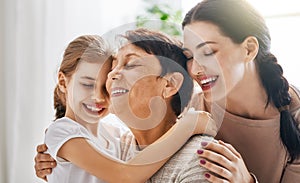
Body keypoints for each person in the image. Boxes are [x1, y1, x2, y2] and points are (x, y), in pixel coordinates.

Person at [35, 32, 216, 182]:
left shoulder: (198, 160)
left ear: (169, 84)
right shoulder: (124, 145)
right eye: (113, 68)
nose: (112, 75)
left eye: (131, 64)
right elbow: (122, 174)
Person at [182, 0, 300, 182]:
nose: (195, 69)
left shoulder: (295, 116)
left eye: (207, 52)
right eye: (189, 56)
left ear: (249, 49)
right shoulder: (189, 111)